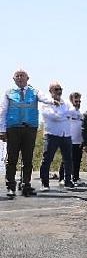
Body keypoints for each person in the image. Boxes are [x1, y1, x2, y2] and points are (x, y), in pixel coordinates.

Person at [0, 69, 56, 197]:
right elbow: (2, 111)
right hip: (13, 129)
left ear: (27, 78)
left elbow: (44, 98)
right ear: (14, 79)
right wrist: (2, 130)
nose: (20, 78)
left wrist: (53, 100)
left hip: (30, 129)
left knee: (27, 158)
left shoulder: (35, 92)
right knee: (12, 158)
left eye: (22, 76)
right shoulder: (8, 93)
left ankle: (25, 184)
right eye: (17, 76)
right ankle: (11, 186)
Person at [39, 82, 75, 191]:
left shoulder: (66, 103)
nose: (59, 91)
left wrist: (64, 115)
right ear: (50, 91)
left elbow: (73, 113)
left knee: (68, 159)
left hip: (66, 134)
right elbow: (55, 117)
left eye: (60, 89)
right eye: (56, 89)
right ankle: (45, 184)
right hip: (52, 135)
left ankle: (67, 181)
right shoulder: (46, 104)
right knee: (47, 159)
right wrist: (65, 115)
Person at [59, 92, 83, 184]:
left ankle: (75, 178)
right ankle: (62, 178)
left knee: (77, 161)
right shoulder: (68, 111)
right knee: (66, 160)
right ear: (71, 101)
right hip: (69, 140)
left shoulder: (79, 113)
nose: (78, 103)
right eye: (76, 101)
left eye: (79, 101)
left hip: (78, 141)